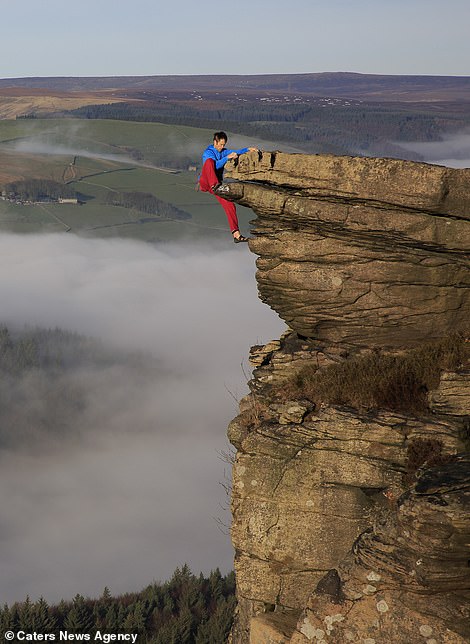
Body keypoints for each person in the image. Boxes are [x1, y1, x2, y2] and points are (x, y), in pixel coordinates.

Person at [199, 131, 258, 243]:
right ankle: (215, 185)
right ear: (215, 142)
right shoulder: (208, 152)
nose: (222, 147)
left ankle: (236, 234)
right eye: (221, 144)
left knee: (230, 205)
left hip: (217, 185)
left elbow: (236, 152)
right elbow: (215, 166)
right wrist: (227, 158)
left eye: (224, 145)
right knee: (209, 162)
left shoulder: (224, 151)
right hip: (206, 182)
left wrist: (248, 149)